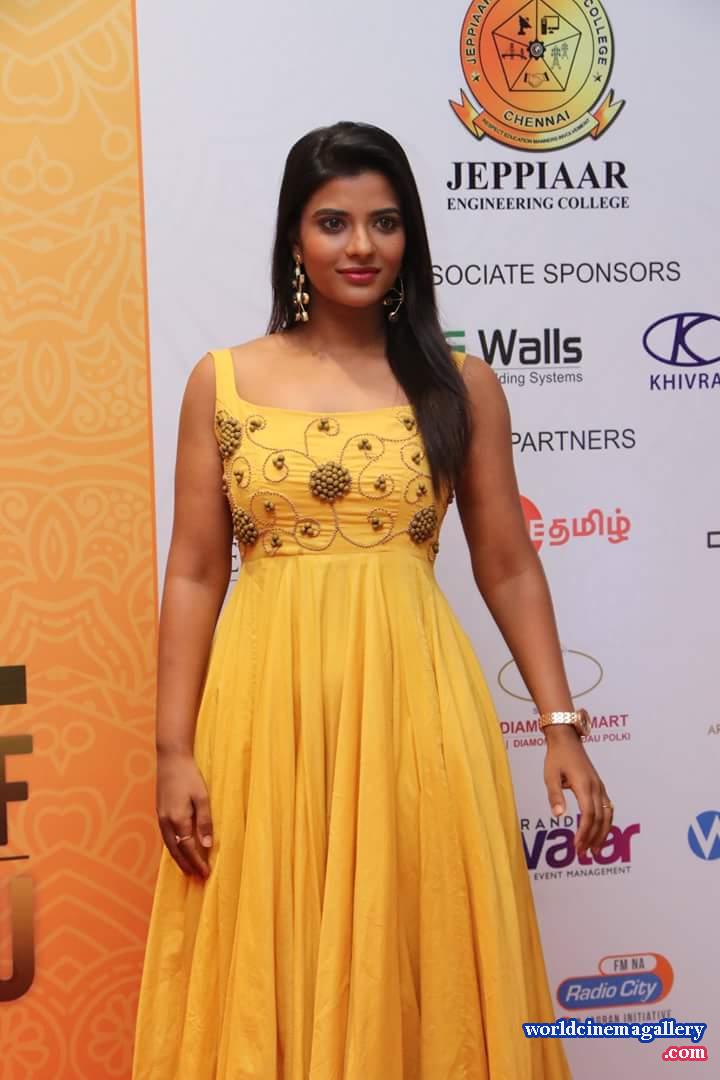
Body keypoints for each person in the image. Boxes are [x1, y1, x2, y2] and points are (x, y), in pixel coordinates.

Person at [132, 120, 612, 1079]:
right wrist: (172, 749)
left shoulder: (459, 384)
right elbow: (193, 571)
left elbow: (508, 563)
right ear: (295, 237)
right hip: (266, 712)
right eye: (334, 222)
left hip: (413, 704)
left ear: (410, 238)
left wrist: (561, 725)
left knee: (416, 939)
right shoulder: (221, 381)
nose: (362, 246)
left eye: (385, 223)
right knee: (267, 944)